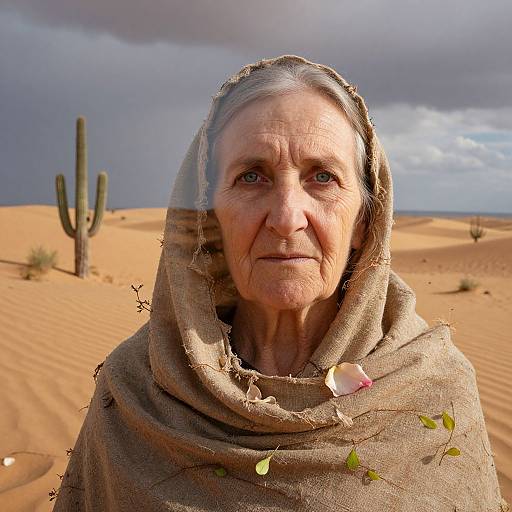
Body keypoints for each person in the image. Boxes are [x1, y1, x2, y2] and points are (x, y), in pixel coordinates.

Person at [53, 54, 508, 512]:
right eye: (252, 177)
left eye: (323, 177)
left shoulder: (433, 389)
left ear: (364, 222)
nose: (287, 218)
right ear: (211, 218)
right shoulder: (138, 387)